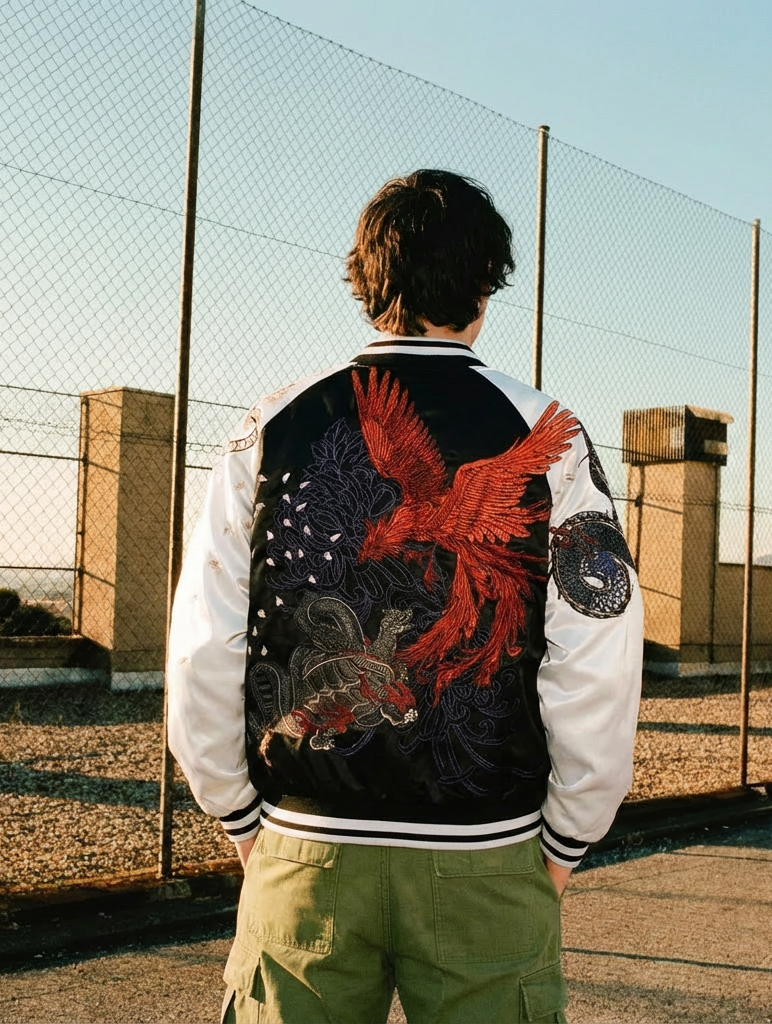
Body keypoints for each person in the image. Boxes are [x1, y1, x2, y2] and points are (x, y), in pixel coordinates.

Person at [167, 169, 643, 1024]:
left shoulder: (268, 426)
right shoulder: (554, 432)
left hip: (303, 849)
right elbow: (597, 645)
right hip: (485, 857)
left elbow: (204, 642)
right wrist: (571, 832)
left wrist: (239, 816)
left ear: (364, 279)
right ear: (487, 281)